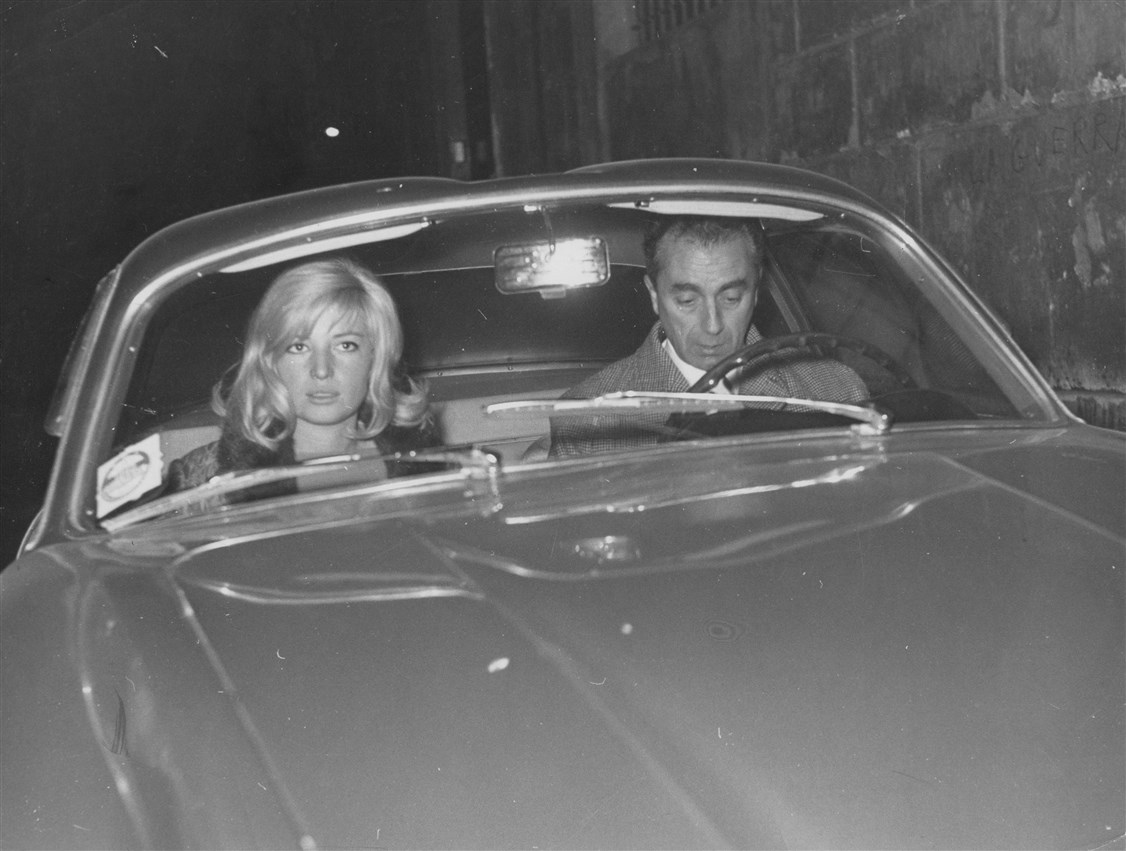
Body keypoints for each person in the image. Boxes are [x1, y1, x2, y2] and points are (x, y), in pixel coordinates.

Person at [549, 216, 868, 457]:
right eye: (687, 301)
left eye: (731, 298)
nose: (712, 325)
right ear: (654, 295)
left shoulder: (837, 392)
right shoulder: (588, 421)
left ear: (756, 290)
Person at [168, 257, 436, 491]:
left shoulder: (430, 468)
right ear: (270, 361)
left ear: (376, 357)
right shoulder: (200, 482)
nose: (321, 370)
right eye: (299, 347)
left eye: (345, 345)